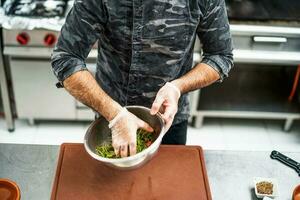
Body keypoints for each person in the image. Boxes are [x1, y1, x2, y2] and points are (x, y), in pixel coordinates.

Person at [51, 0, 233, 158]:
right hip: (112, 114)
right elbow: (66, 57)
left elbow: (220, 55)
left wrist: (177, 87)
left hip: (169, 119)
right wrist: (116, 115)